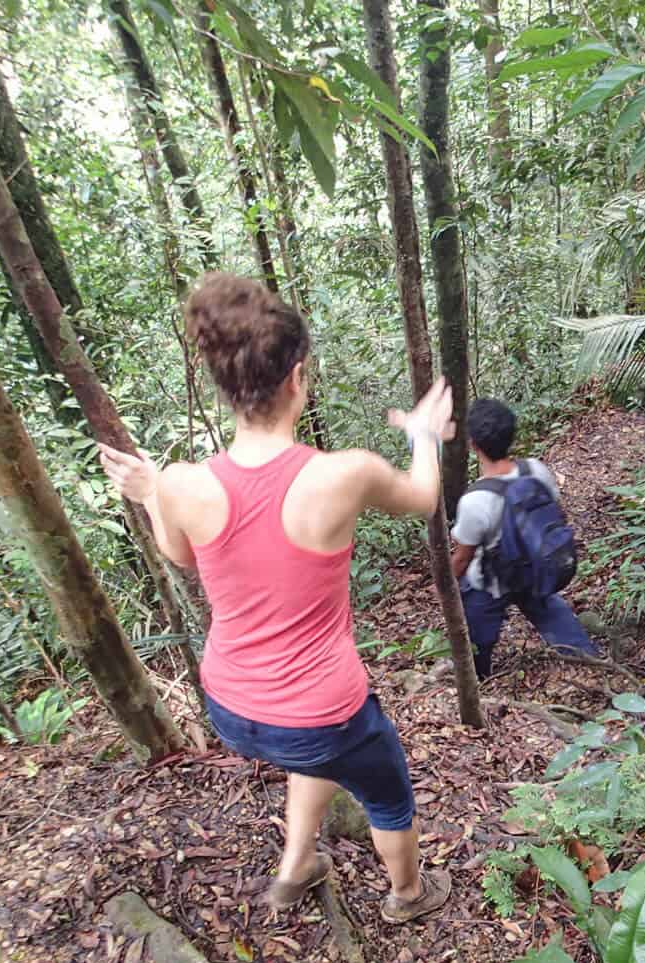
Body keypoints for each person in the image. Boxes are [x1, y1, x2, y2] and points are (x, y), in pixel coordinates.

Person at [99, 273, 452, 924]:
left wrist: (153, 492)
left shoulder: (182, 482)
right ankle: (408, 896)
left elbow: (182, 556)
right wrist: (426, 435)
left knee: (310, 748)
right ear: (297, 377)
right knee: (388, 794)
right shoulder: (342, 474)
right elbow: (424, 498)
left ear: (226, 385)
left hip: (233, 709)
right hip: (320, 709)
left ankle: (297, 863)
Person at [451, 398, 599, 680]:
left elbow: (462, 558)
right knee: (549, 607)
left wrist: (445, 587)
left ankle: (478, 677)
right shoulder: (536, 470)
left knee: (477, 623)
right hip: (536, 567)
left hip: (495, 580)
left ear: (474, 445)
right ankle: (589, 662)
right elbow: (557, 515)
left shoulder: (474, 500)